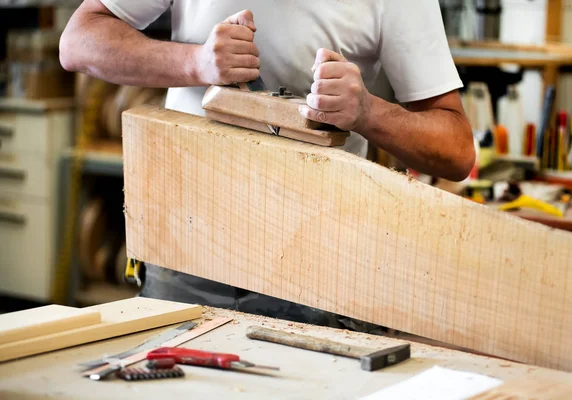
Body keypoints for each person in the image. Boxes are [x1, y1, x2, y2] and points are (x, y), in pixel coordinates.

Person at [60, 0, 475, 331]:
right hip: (186, 247)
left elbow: (456, 152)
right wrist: (196, 63)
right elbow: (78, 41)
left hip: (318, 267)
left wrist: (369, 112)